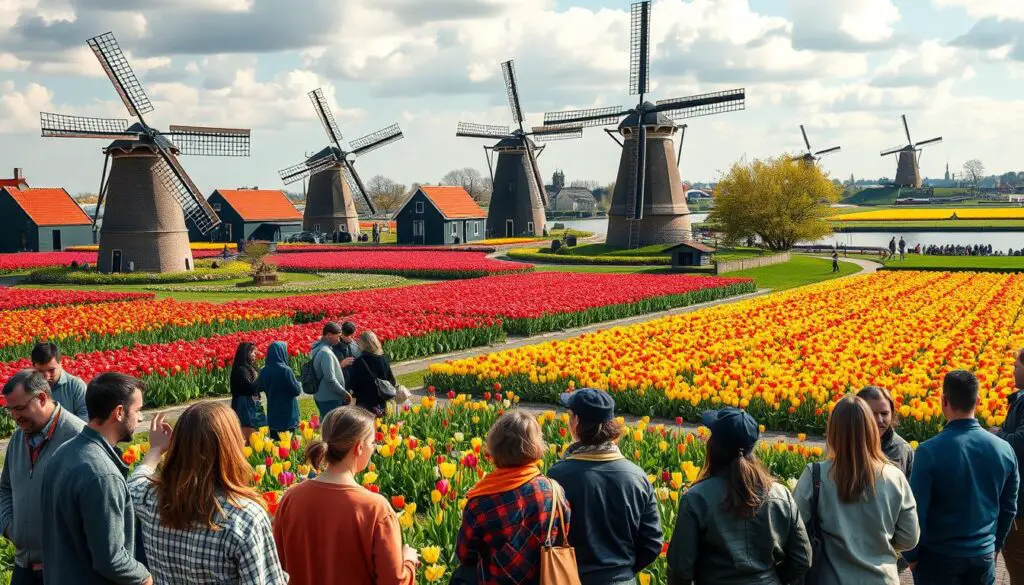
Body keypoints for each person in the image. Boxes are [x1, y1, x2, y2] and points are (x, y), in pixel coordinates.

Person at [129, 403, 287, 584]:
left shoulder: (151, 499)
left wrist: (156, 449)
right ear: (232, 447)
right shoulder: (244, 518)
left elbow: (134, 483)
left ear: (178, 446)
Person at [274, 406, 418, 585]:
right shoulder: (375, 509)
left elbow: (276, 565)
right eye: (372, 443)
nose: (374, 448)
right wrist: (409, 561)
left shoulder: (291, 498)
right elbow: (393, 582)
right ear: (358, 447)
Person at [667, 407, 811, 585]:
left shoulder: (696, 498)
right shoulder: (780, 495)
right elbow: (802, 558)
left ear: (714, 446)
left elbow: (680, 570)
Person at [907, 370, 1019, 584]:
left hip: (938, 558)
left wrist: (911, 556)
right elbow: (1009, 507)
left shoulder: (928, 451)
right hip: (982, 556)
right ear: (978, 401)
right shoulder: (1004, 449)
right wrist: (993, 547)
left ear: (943, 401)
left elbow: (917, 510)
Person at [41, 372, 152, 585]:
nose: (140, 418)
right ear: (119, 412)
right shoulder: (102, 474)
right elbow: (111, 560)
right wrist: (146, 578)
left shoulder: (63, 452)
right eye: (137, 410)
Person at [794, 395, 919, 585]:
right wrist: (879, 543)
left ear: (833, 431)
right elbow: (910, 538)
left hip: (831, 578)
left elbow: (795, 531)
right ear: (871, 430)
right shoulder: (894, 476)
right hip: (882, 578)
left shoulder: (816, 475)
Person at [547, 389, 662, 585]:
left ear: (576, 423)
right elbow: (652, 541)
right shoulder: (636, 475)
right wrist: (623, 572)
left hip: (574, 578)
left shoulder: (559, 475)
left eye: (569, 416)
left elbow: (548, 534)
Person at [457, 410, 569, 585]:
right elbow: (564, 534)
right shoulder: (553, 491)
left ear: (494, 447)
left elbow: (465, 555)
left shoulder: (480, 501)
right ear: (535, 446)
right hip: (543, 579)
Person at [0, 370, 85, 585]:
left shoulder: (78, 438)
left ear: (42, 398)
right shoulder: (19, 439)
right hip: (24, 567)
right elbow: (5, 489)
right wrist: (10, 528)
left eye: (20, 408)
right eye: (10, 409)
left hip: (66, 570)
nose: (15, 416)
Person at [994, 348, 1024, 582]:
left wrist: (997, 434)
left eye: (1017, 365)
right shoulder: (1019, 399)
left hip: (1021, 502)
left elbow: (1020, 442)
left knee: (1017, 559)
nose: (1013, 369)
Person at [857, 386, 914, 477]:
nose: (880, 420)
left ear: (892, 413)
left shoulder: (901, 450)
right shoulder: (848, 444)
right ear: (858, 414)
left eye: (884, 414)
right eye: (872, 413)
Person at [30, 342, 87, 421]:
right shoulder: (29, 387)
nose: (46, 377)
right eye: (40, 371)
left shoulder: (75, 386)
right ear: (33, 366)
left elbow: (85, 417)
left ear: (60, 363)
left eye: (51, 370)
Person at [257, 341, 301, 440]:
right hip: (288, 411)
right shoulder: (286, 370)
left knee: (275, 445)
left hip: (273, 410)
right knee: (288, 443)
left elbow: (259, 387)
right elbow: (297, 391)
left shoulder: (264, 370)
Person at [348, 331, 397, 417]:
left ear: (363, 344)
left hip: (365, 402)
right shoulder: (383, 359)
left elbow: (352, 384)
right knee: (384, 425)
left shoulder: (359, 362)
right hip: (383, 398)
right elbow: (391, 380)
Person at [310, 322, 351, 417]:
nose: (339, 339)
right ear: (329, 335)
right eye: (338, 336)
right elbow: (330, 379)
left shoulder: (317, 347)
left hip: (321, 395)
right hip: (329, 397)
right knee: (332, 427)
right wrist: (344, 393)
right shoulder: (325, 353)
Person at [230, 342, 267, 439]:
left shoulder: (250, 367)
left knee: (259, 427)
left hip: (254, 401)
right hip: (244, 403)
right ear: (245, 353)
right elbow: (251, 387)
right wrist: (262, 375)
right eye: (252, 352)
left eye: (255, 352)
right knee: (248, 429)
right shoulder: (241, 370)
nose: (255, 354)